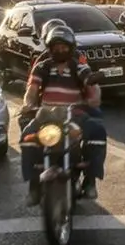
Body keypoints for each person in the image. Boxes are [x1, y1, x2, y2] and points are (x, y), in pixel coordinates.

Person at [19, 26, 107, 204]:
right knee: (26, 138)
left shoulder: (79, 67)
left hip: (73, 115)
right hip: (46, 116)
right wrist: (28, 103)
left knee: (98, 133)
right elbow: (32, 89)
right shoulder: (42, 67)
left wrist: (94, 95)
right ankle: (33, 187)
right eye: (56, 47)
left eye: (64, 46)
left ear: (71, 47)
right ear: (50, 48)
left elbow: (90, 82)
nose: (60, 50)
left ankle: (90, 182)